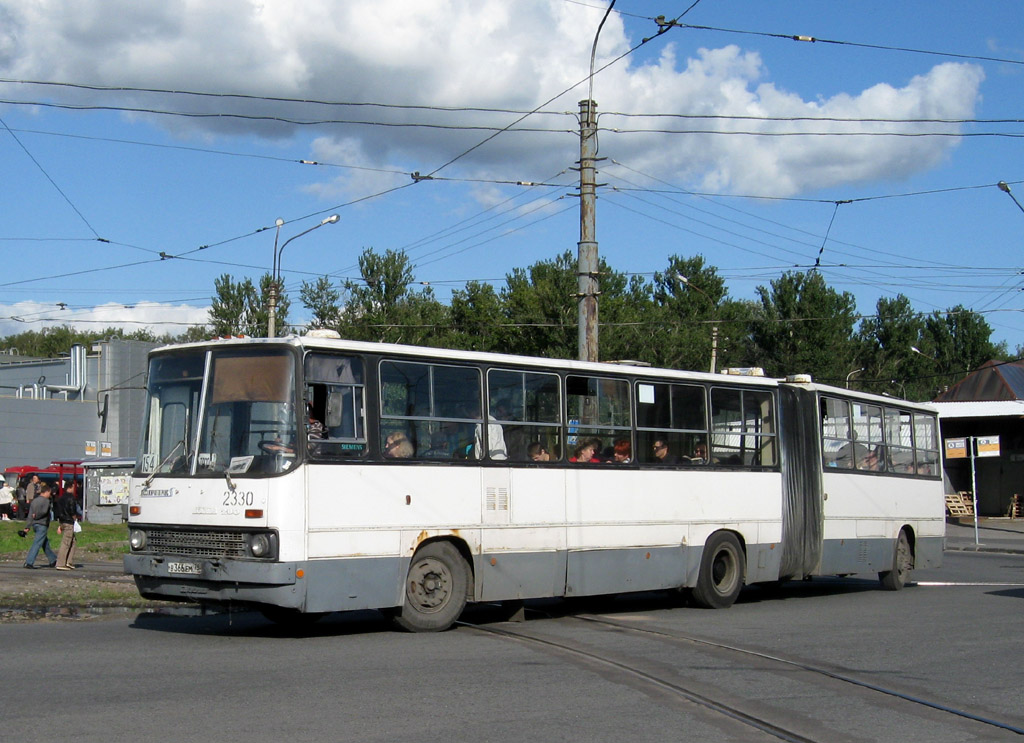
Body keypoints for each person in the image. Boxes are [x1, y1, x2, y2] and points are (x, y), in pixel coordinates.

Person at [23, 482, 57, 569]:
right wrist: (37, 515)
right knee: (37, 543)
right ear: (46, 492)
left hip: (35, 524)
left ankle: (53, 560)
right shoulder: (46, 501)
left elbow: (30, 514)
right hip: (42, 524)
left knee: (45, 543)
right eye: (49, 493)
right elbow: (44, 512)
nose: (50, 495)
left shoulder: (34, 501)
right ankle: (29, 562)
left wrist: (27, 527)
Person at [54, 481, 78, 571]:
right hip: (69, 521)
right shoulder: (71, 498)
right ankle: (60, 563)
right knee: (66, 542)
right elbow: (72, 510)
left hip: (62, 521)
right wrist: (74, 518)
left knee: (73, 541)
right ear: (71, 487)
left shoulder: (61, 498)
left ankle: (69, 561)